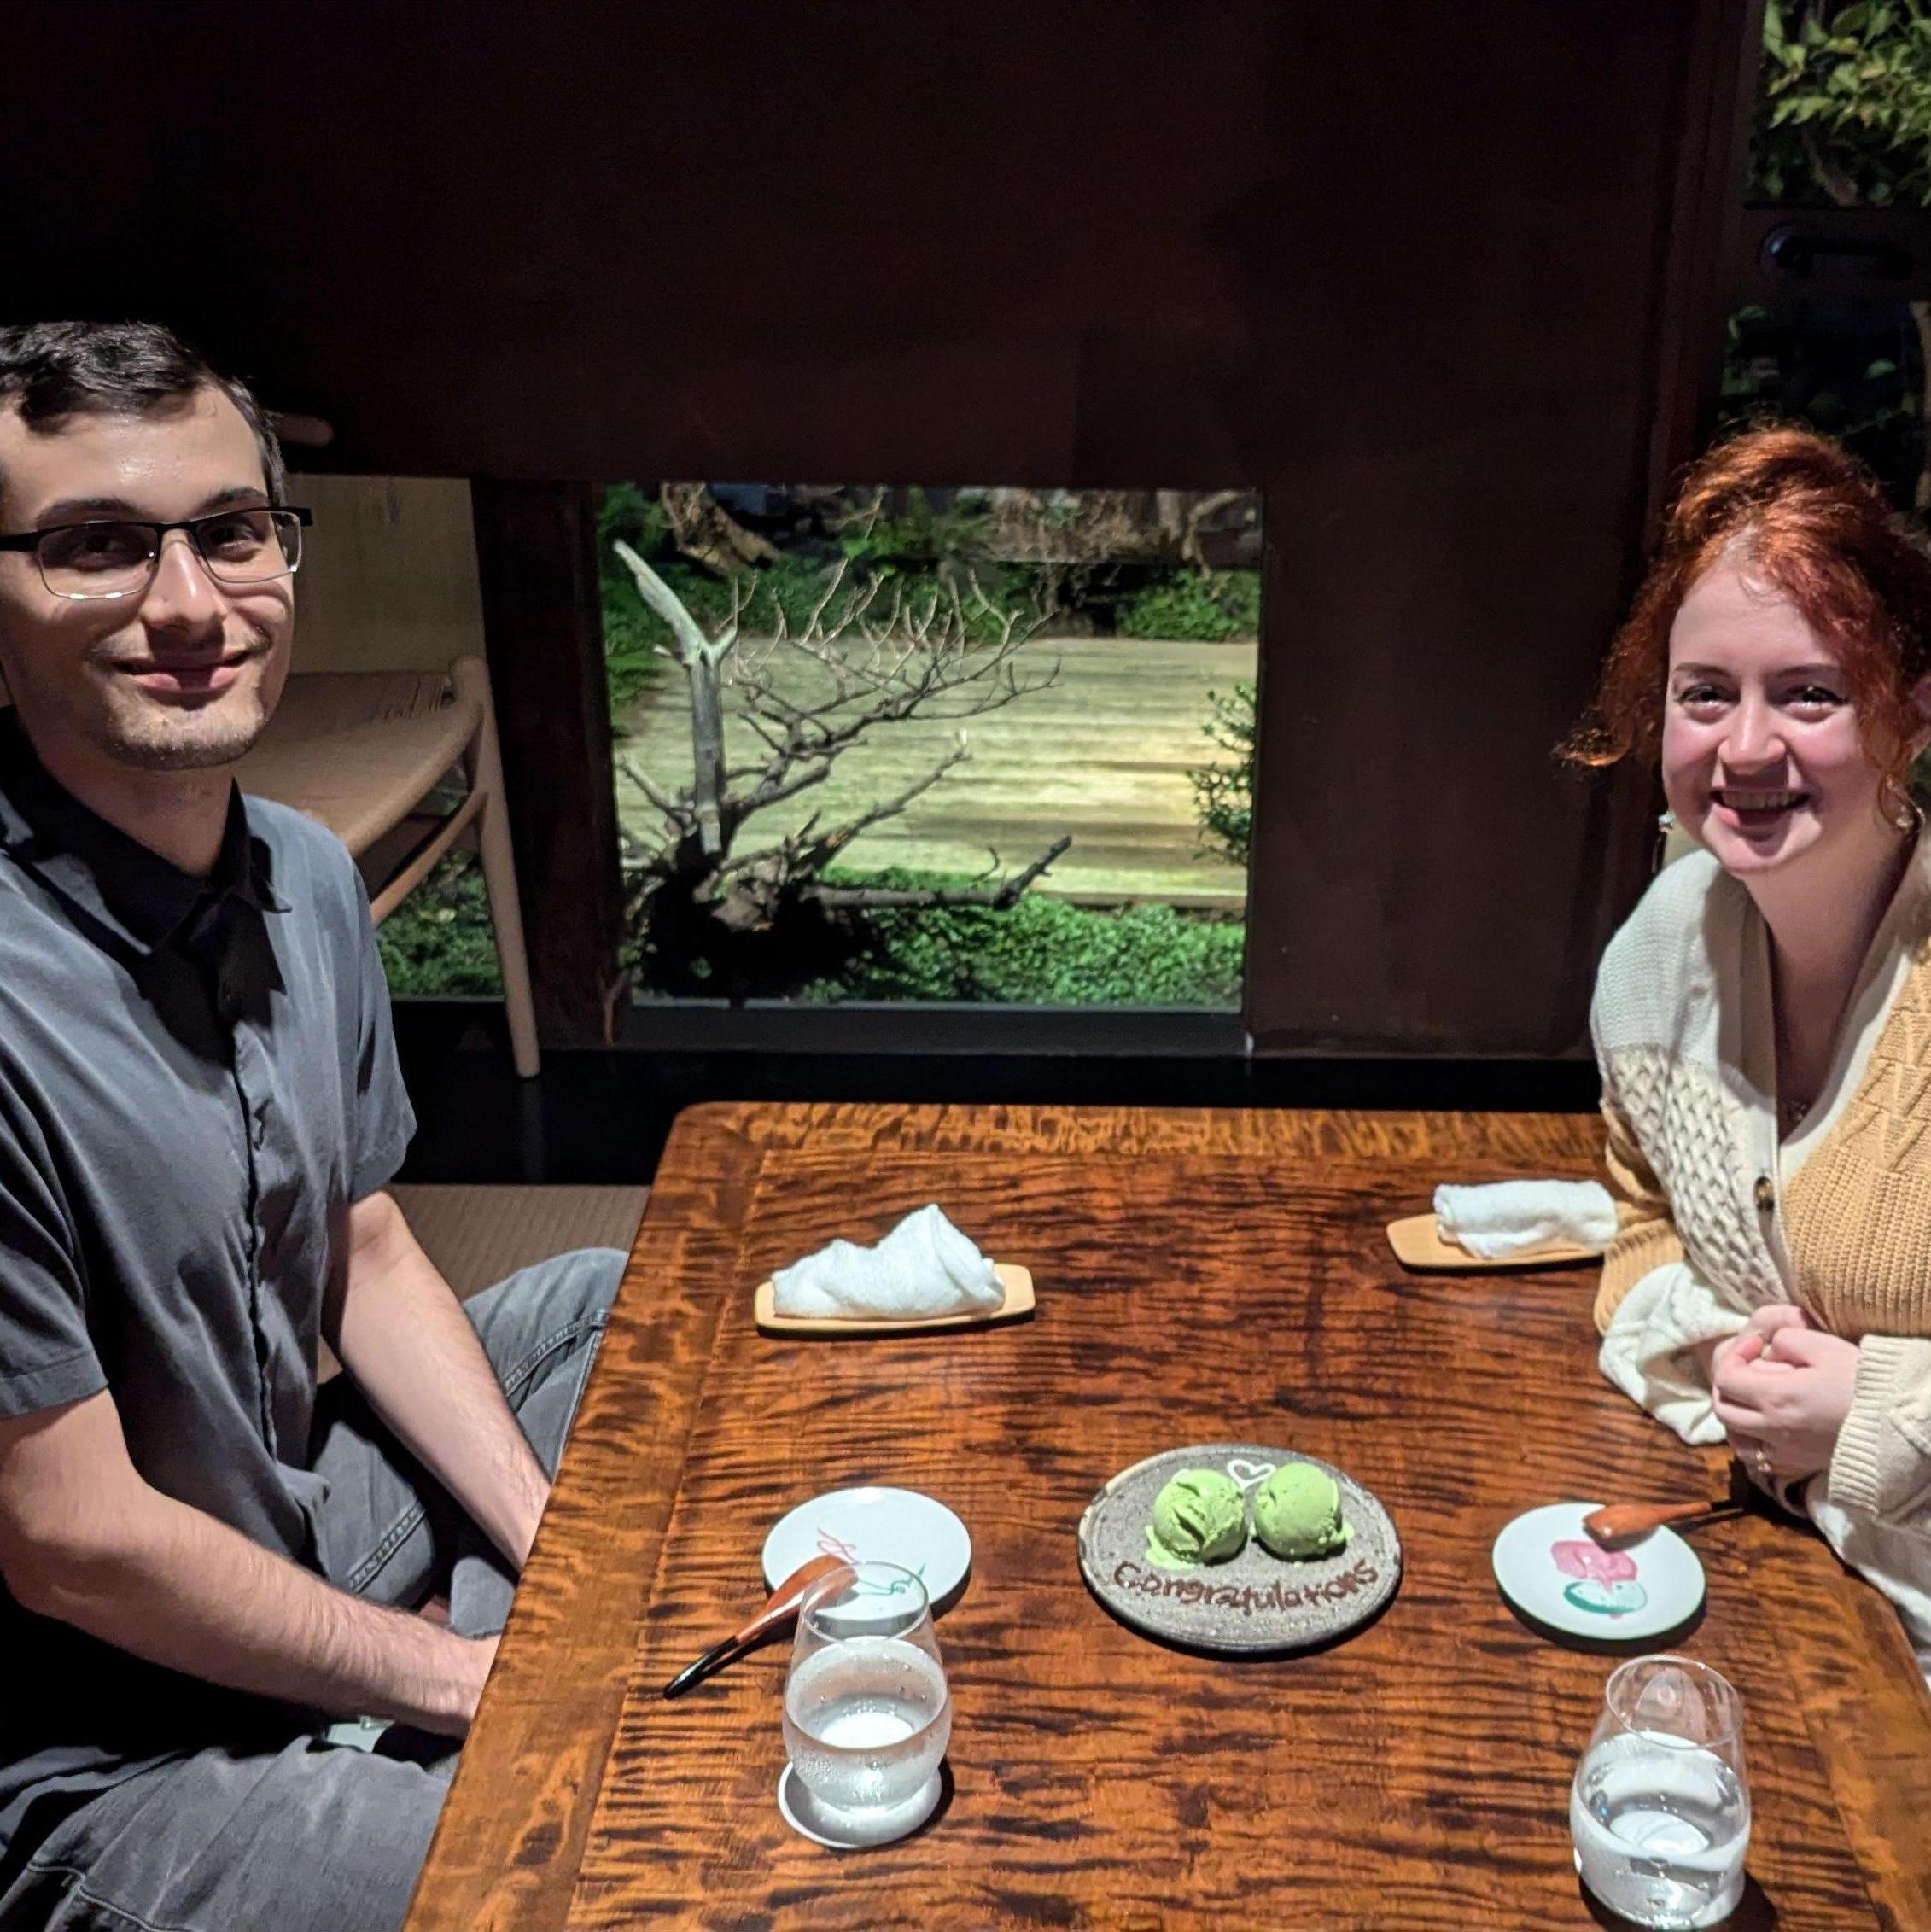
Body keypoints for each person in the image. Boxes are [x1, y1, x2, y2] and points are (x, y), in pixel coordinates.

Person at [0, 320, 625, 1931]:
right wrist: (467, 1683)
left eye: (230, 532)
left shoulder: (306, 874)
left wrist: (553, 1556)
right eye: (96, 547)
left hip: (276, 1513)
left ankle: (396, 1687)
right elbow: (70, 1543)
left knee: (614, 1306)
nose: (191, 606)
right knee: (576, 1875)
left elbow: (366, 1248)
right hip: (88, 1724)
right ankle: (375, 1736)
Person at [1574, 423, 1931, 1675]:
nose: (1742, 749)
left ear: (1911, 714)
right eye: (1703, 693)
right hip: (1788, 1577)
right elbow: (1637, 1220)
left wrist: (1873, 1413)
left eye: (1810, 694)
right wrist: (1713, 1355)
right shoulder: (1658, 953)